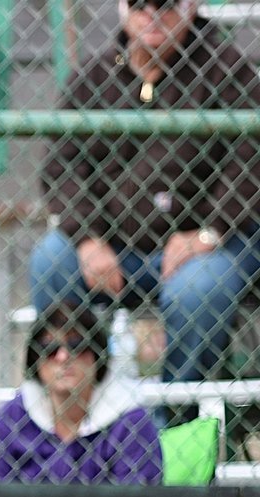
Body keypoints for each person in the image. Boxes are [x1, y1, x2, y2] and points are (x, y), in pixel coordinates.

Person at [30, 0, 260, 387]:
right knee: (52, 260)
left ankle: (172, 419)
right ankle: (81, 406)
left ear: (191, 7)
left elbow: (252, 161)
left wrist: (208, 233)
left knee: (200, 289)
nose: (152, 13)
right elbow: (61, 165)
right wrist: (88, 239)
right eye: (140, 3)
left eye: (167, 4)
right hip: (115, 246)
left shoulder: (228, 70)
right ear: (123, 8)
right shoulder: (96, 75)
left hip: (205, 246)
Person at [0, 301, 163, 485]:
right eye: (50, 348)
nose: (63, 357)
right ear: (35, 361)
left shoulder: (131, 423)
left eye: (77, 345)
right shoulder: (13, 418)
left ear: (98, 355)